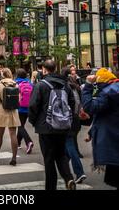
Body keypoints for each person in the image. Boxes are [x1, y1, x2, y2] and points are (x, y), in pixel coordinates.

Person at [82, 67, 119, 190]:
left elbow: (90, 107)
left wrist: (88, 86)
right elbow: (108, 116)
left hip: (116, 147)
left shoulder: (108, 94)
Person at [28, 59, 76, 190]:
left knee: (49, 159)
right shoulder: (65, 85)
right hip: (63, 125)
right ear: (55, 68)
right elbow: (72, 102)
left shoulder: (41, 85)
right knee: (61, 154)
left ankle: (51, 187)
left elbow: (33, 105)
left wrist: (33, 121)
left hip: (46, 127)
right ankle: (69, 178)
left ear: (44, 69)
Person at [61, 67, 86, 184]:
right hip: (76, 118)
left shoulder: (64, 88)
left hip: (69, 119)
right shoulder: (75, 87)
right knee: (66, 148)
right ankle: (65, 172)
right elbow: (79, 103)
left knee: (70, 145)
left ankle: (79, 172)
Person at [0, 67, 20, 166]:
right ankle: (14, 157)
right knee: (13, 134)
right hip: (13, 112)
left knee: (0, 134)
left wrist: (0, 103)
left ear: (2, 75)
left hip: (2, 111)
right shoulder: (16, 84)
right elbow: (18, 100)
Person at [15, 68, 34, 154]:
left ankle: (28, 141)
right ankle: (18, 143)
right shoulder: (30, 83)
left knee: (20, 126)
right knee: (21, 124)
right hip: (28, 108)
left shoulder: (16, 83)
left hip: (20, 107)